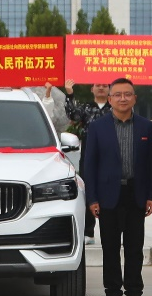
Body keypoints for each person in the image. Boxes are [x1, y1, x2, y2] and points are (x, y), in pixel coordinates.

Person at [82, 78, 152, 296]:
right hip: (108, 195)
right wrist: (92, 198)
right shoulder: (97, 127)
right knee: (110, 247)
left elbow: (151, 164)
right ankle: (112, 293)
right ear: (110, 99)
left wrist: (151, 195)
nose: (123, 98)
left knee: (134, 248)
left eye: (127, 94)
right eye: (118, 95)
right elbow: (89, 166)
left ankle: (135, 293)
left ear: (134, 98)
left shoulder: (146, 127)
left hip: (136, 193)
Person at [43, 79, 112, 243]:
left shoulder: (114, 108)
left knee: (111, 192)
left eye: (104, 85)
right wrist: (70, 93)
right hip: (90, 153)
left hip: (111, 154)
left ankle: (111, 231)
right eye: (98, 85)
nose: (101, 88)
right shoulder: (86, 107)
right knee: (89, 191)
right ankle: (88, 232)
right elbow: (72, 114)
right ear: (92, 89)